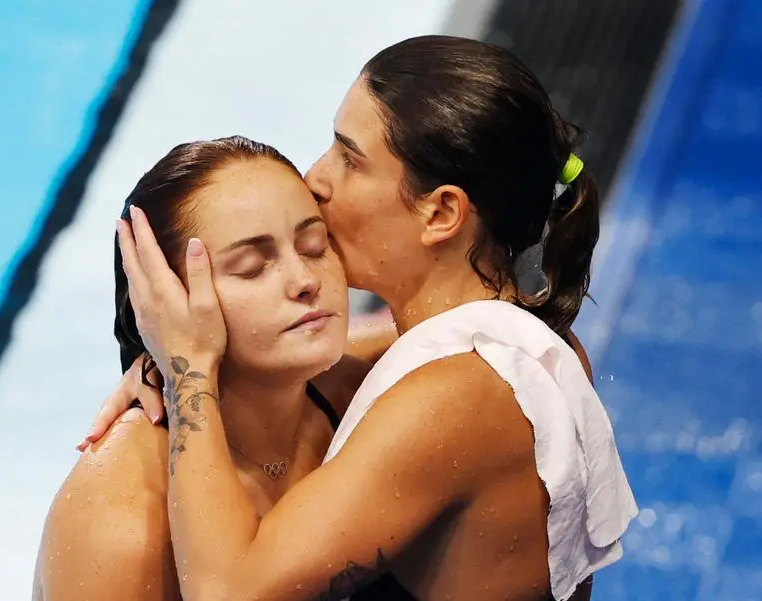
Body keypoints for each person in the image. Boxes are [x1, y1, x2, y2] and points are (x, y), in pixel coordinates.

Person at [93, 35, 638, 601]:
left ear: (441, 212)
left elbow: (227, 592)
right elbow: (369, 345)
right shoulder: (518, 339)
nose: (315, 178)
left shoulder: (453, 396)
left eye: (349, 159)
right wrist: (183, 356)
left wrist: (189, 370)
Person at [32, 136, 398, 601]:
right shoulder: (120, 515)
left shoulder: (353, 388)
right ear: (166, 305)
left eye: (313, 245)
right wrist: (179, 361)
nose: (305, 281)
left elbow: (458, 325)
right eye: (251, 267)